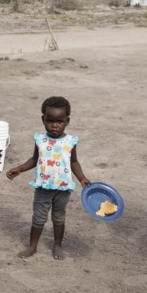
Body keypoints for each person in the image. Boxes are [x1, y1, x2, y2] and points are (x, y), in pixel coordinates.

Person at [6, 96, 90, 260]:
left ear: (67, 121)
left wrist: (82, 178)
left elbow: (73, 162)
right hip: (43, 187)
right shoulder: (40, 140)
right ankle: (32, 246)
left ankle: (57, 245)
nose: (54, 125)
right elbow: (34, 159)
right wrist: (20, 169)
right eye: (50, 121)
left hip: (63, 188)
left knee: (59, 217)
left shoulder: (70, 142)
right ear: (43, 120)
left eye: (59, 121)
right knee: (38, 217)